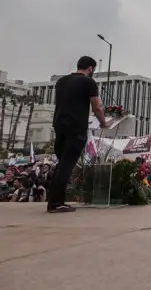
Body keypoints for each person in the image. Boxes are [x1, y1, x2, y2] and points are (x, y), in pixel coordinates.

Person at [48, 56, 106, 213]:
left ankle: (53, 200)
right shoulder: (88, 82)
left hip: (59, 125)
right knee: (67, 164)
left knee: (62, 163)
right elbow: (97, 107)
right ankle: (56, 203)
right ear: (90, 68)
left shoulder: (61, 81)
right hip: (76, 127)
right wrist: (103, 122)